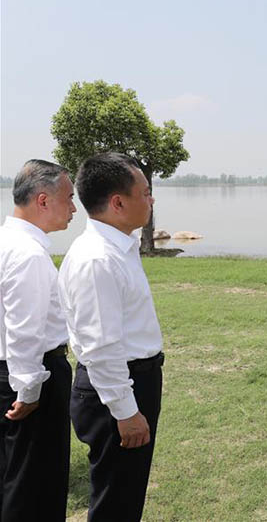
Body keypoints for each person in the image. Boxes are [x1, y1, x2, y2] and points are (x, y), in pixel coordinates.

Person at [58, 152, 164, 521]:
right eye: (146, 192)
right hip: (116, 389)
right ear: (118, 202)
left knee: (126, 493)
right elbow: (100, 346)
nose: (151, 200)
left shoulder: (120, 246)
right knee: (115, 501)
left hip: (133, 380)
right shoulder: (97, 259)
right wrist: (125, 410)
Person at [0, 160, 76, 521]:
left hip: (10, 372)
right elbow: (23, 330)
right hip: (32, 375)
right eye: (70, 199)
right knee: (35, 487)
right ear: (43, 200)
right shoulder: (27, 253)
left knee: (12, 479)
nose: (75, 209)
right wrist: (29, 391)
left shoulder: (7, 241)